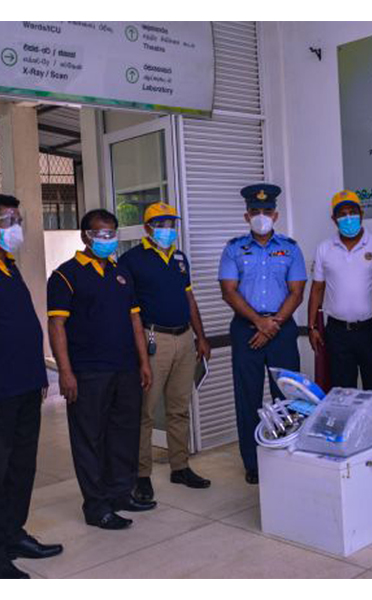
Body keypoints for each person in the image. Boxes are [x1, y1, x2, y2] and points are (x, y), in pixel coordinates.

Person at [0, 195, 63, 578]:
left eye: (19, 218)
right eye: (10, 219)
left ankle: (13, 534)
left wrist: (39, 375)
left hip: (25, 385)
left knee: (22, 468)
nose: (18, 226)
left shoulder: (8, 265)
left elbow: (19, 326)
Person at [47, 209, 153, 530]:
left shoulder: (122, 273)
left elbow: (135, 319)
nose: (107, 240)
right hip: (88, 371)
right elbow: (57, 325)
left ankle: (121, 493)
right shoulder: (66, 275)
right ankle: (96, 505)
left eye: (111, 233)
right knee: (89, 438)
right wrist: (65, 372)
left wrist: (143, 362)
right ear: (85, 236)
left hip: (125, 368)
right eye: (100, 234)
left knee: (124, 433)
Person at [117, 203, 212, 502]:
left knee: (179, 407)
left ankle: (180, 466)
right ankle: (141, 475)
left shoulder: (180, 258)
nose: (167, 229)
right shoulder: (132, 260)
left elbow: (189, 298)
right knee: (145, 411)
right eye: (161, 224)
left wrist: (201, 336)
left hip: (184, 338)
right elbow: (127, 309)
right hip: (153, 338)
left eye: (171, 223)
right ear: (147, 228)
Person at [218, 184, 307, 484]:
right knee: (248, 398)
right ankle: (253, 463)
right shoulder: (234, 248)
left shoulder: (291, 248)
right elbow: (228, 292)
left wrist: (273, 324)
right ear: (246, 215)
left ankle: (287, 453)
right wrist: (259, 322)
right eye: (255, 211)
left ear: (276, 214)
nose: (261, 216)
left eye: (266, 211)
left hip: (281, 329)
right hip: (246, 329)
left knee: (288, 397)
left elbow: (297, 292)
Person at [307, 190, 372, 434]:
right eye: (342, 214)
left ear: (362, 214)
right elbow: (317, 290)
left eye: (353, 212)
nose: (348, 217)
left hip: (370, 330)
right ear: (334, 220)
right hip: (338, 333)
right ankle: (348, 447)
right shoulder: (324, 248)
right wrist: (311, 326)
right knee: (342, 396)